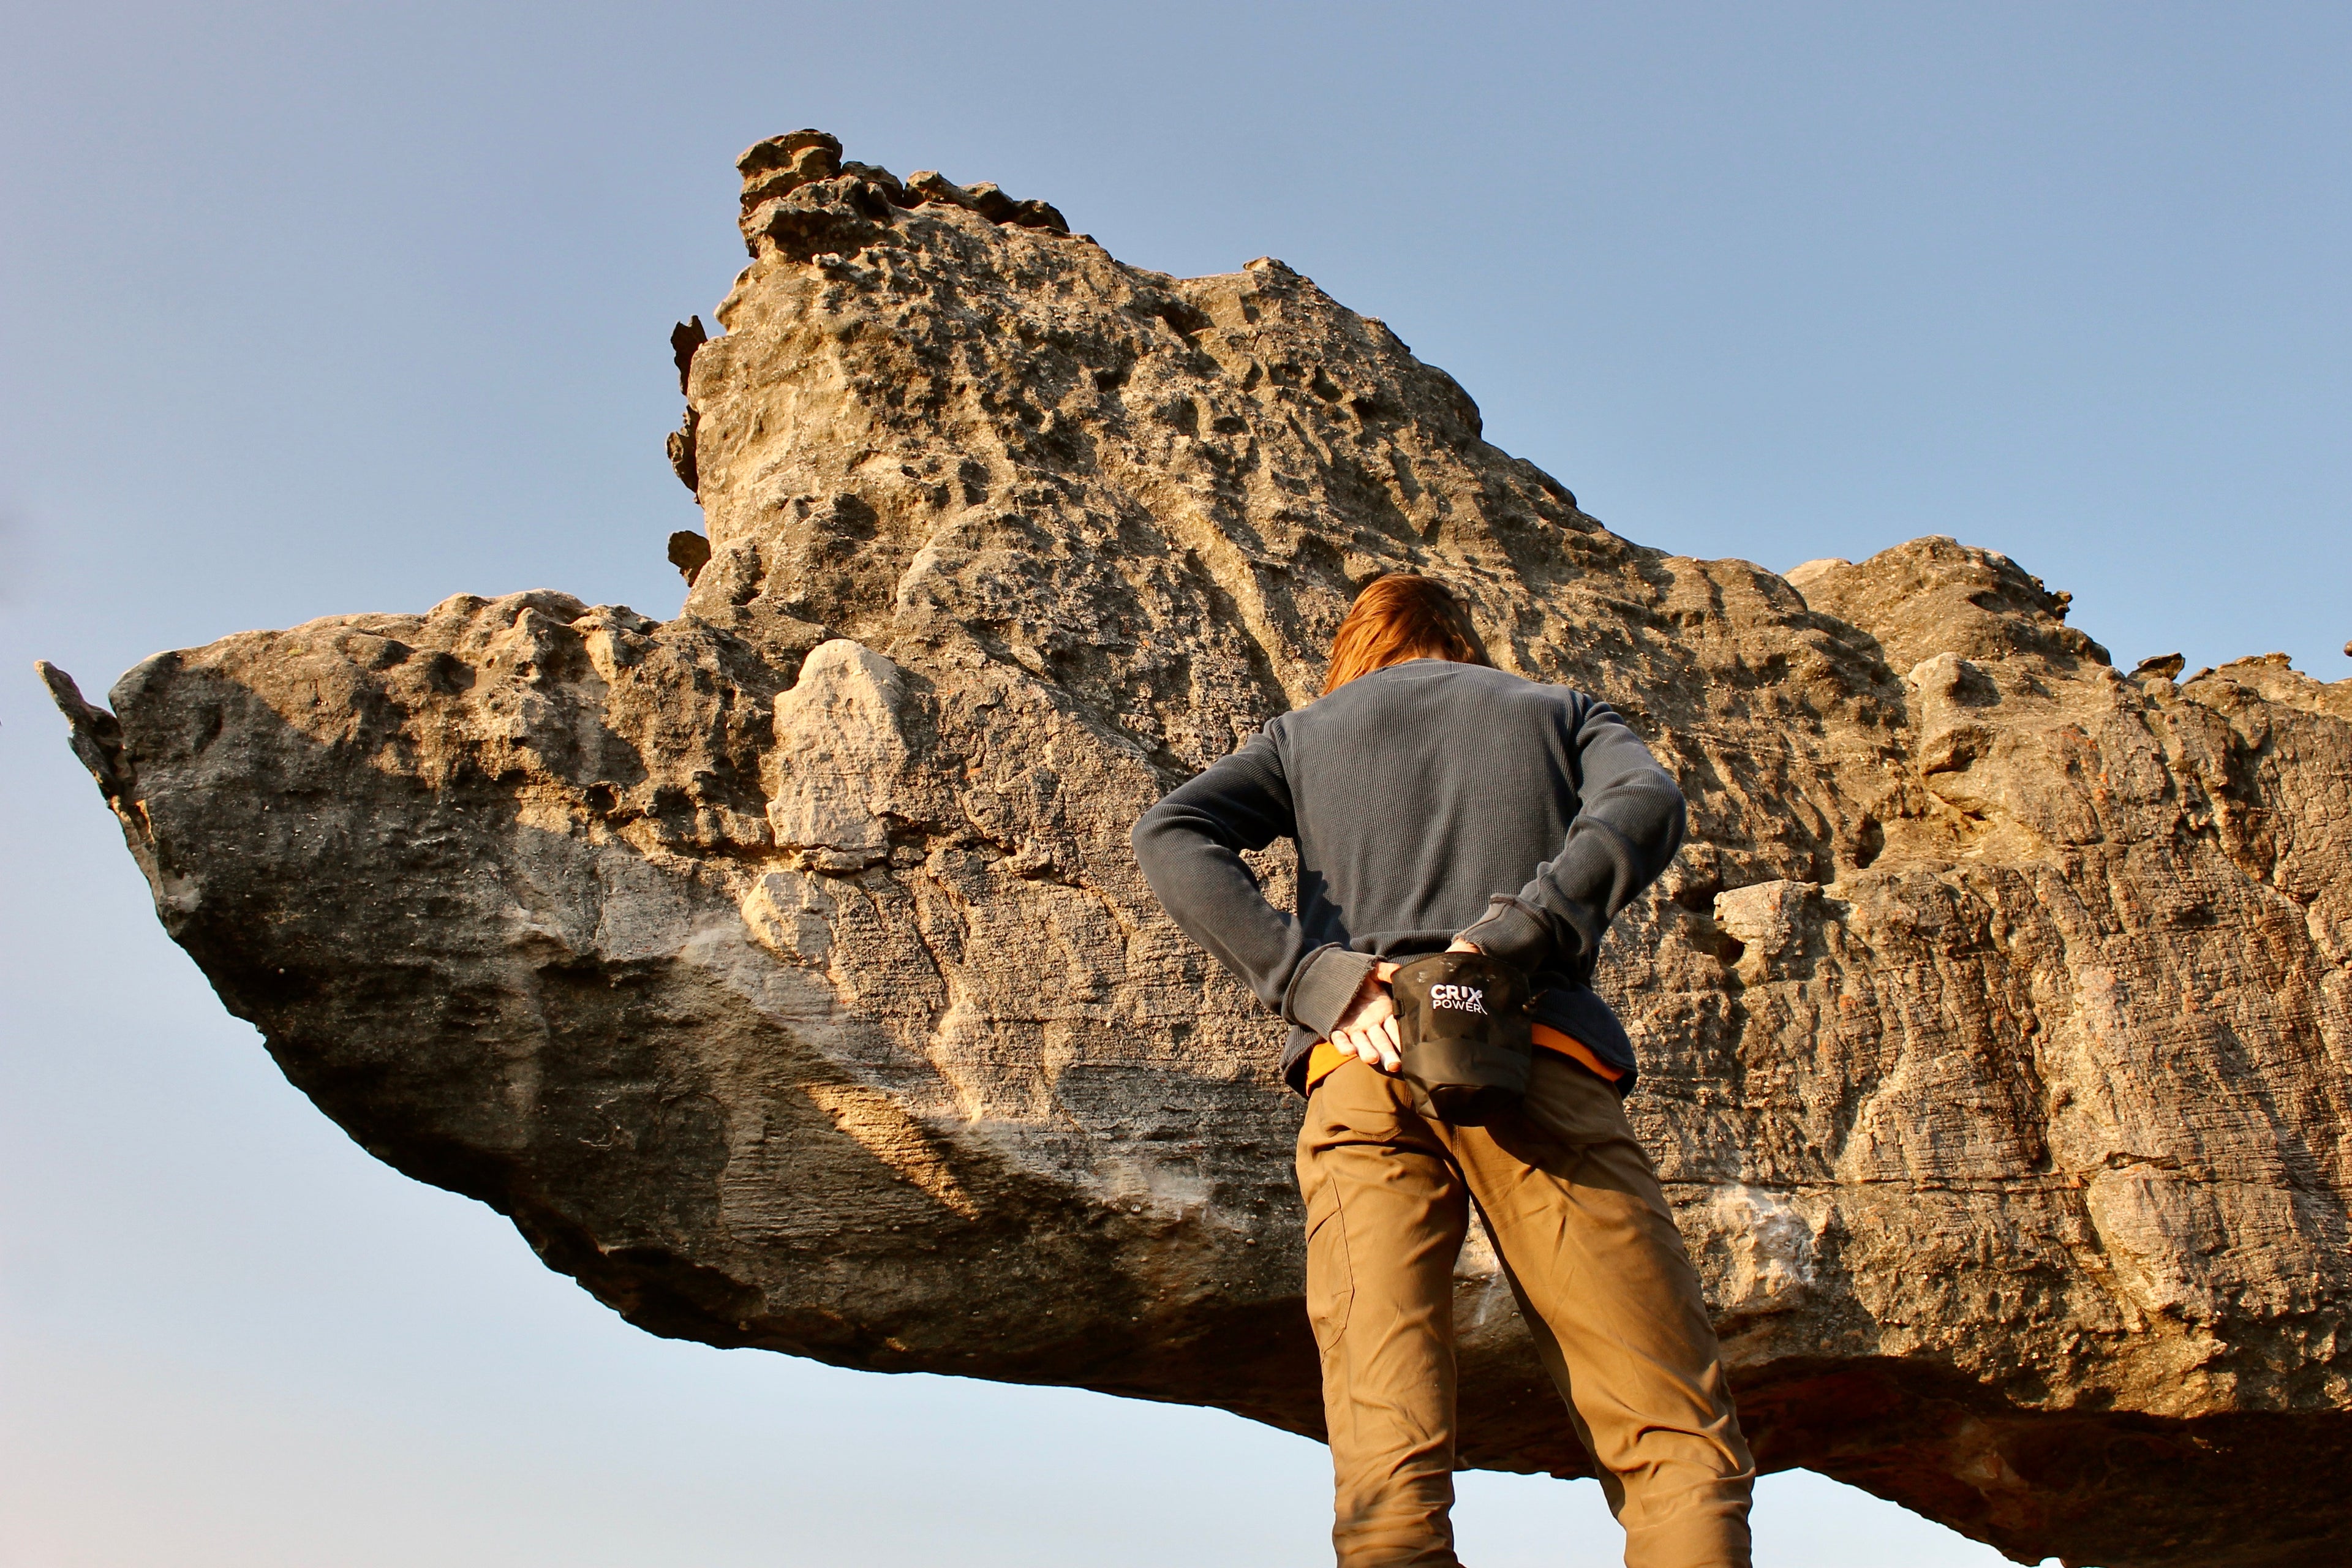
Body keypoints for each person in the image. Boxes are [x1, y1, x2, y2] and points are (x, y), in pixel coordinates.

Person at [1131, 573, 1754, 1568]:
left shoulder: (1306, 734)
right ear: (1463, 641)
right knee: (1671, 1442)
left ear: (1358, 654)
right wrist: (1518, 936)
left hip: (1360, 1067)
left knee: (1390, 1465)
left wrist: (1317, 979)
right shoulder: (1562, 712)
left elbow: (1168, 832)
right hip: (1535, 1055)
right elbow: (1647, 801)